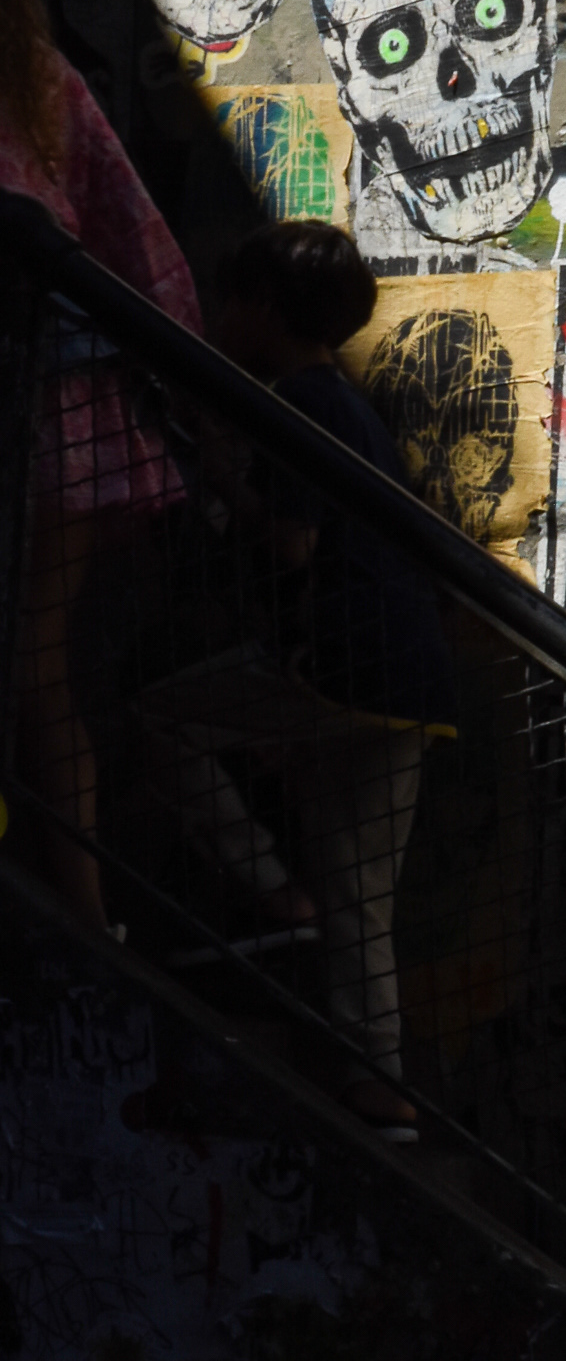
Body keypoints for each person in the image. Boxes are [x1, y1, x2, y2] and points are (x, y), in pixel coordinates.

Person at [137, 222, 457, 1139]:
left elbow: (292, 541)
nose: (220, 314)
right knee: (362, 891)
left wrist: (221, 463)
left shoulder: (304, 400)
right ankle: (380, 1082)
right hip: (414, 679)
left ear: (266, 310)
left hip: (348, 659)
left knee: (161, 719)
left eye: (232, 299)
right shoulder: (345, 401)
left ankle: (275, 891)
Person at [0, 0, 202, 930]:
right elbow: (138, 237)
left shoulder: (40, 84)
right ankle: (82, 910)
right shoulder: (39, 82)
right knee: (39, 670)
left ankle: (78, 909)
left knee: (36, 666)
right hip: (66, 419)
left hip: (49, 415)